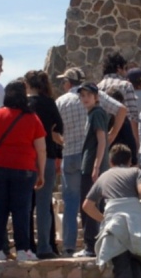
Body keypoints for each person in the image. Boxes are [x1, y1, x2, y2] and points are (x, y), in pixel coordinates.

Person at [55, 68, 128, 257]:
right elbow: (121, 109)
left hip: (73, 153)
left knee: (74, 202)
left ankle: (72, 245)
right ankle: (97, 241)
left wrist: (63, 141)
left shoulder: (62, 101)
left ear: (69, 82)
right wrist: (113, 135)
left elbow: (52, 130)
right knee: (92, 201)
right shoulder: (98, 100)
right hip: (89, 155)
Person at [81, 144, 141, 278]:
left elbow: (87, 206)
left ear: (110, 161)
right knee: (137, 267)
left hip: (114, 227)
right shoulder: (135, 171)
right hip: (136, 224)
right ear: (130, 161)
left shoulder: (103, 176)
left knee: (121, 270)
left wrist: (105, 220)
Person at [0, 80, 46, 261]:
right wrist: (42, 172)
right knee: (21, 210)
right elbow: (41, 148)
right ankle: (23, 249)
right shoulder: (32, 118)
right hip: (24, 168)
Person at [24, 70, 64, 259]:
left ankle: (27, 246)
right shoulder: (49, 103)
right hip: (46, 155)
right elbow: (59, 127)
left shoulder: (23, 104)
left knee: (25, 205)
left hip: (25, 157)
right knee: (43, 204)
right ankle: (45, 247)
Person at [76, 82, 109, 258]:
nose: (85, 98)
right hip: (88, 165)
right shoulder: (92, 114)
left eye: (88, 95)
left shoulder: (97, 113)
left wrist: (96, 166)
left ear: (96, 97)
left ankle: (90, 245)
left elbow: (102, 140)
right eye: (82, 95)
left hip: (92, 167)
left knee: (89, 205)